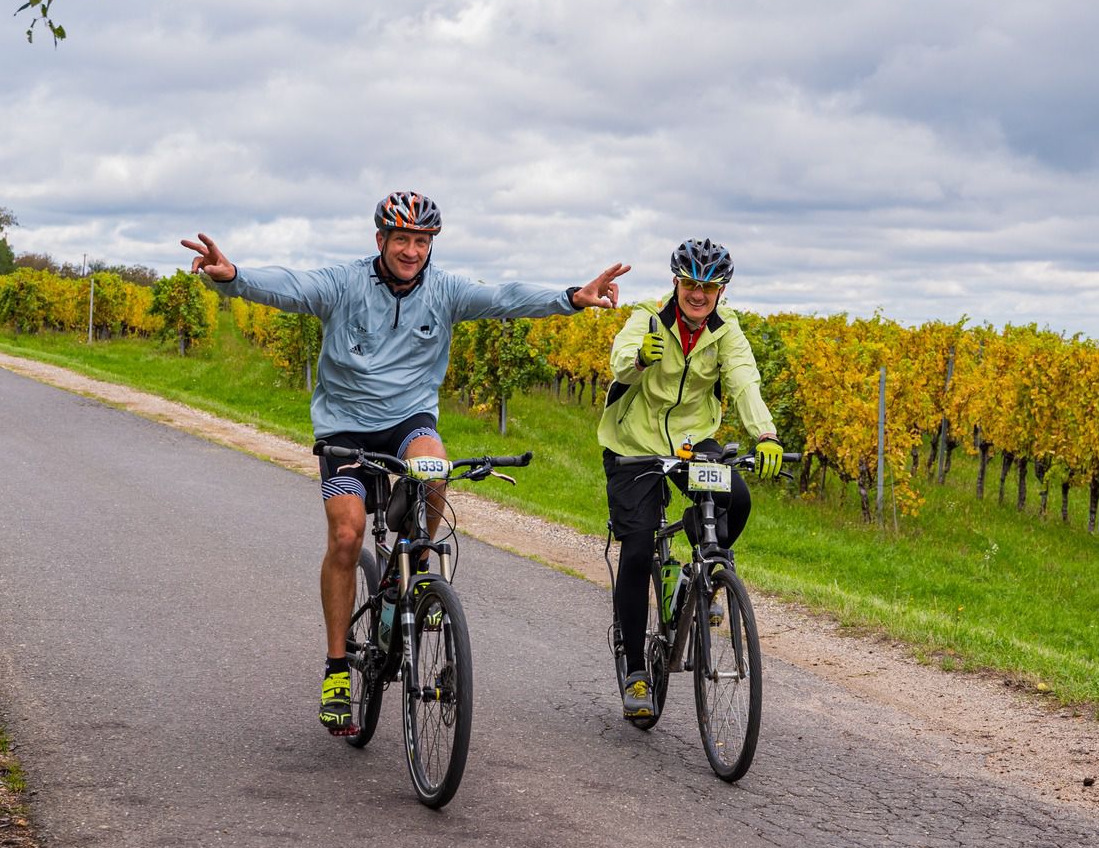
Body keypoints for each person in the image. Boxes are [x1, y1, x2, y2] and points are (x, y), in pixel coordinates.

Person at [182, 192, 629, 732]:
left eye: (422, 241)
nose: (412, 250)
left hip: (408, 419)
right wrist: (232, 277)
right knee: (347, 536)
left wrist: (571, 298)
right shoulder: (345, 284)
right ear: (381, 242)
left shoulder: (444, 291)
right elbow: (291, 287)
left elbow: (504, 297)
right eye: (402, 240)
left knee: (434, 464)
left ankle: (411, 560)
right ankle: (336, 669)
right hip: (344, 425)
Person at [597, 238, 781, 719]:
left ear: (722, 291)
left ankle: (696, 573)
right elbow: (618, 362)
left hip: (691, 441)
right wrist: (640, 358)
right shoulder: (648, 317)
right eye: (691, 284)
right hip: (633, 445)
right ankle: (637, 673)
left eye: (710, 287)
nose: (699, 295)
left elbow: (743, 379)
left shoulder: (727, 332)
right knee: (637, 549)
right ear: (676, 282)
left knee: (735, 499)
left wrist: (765, 433)